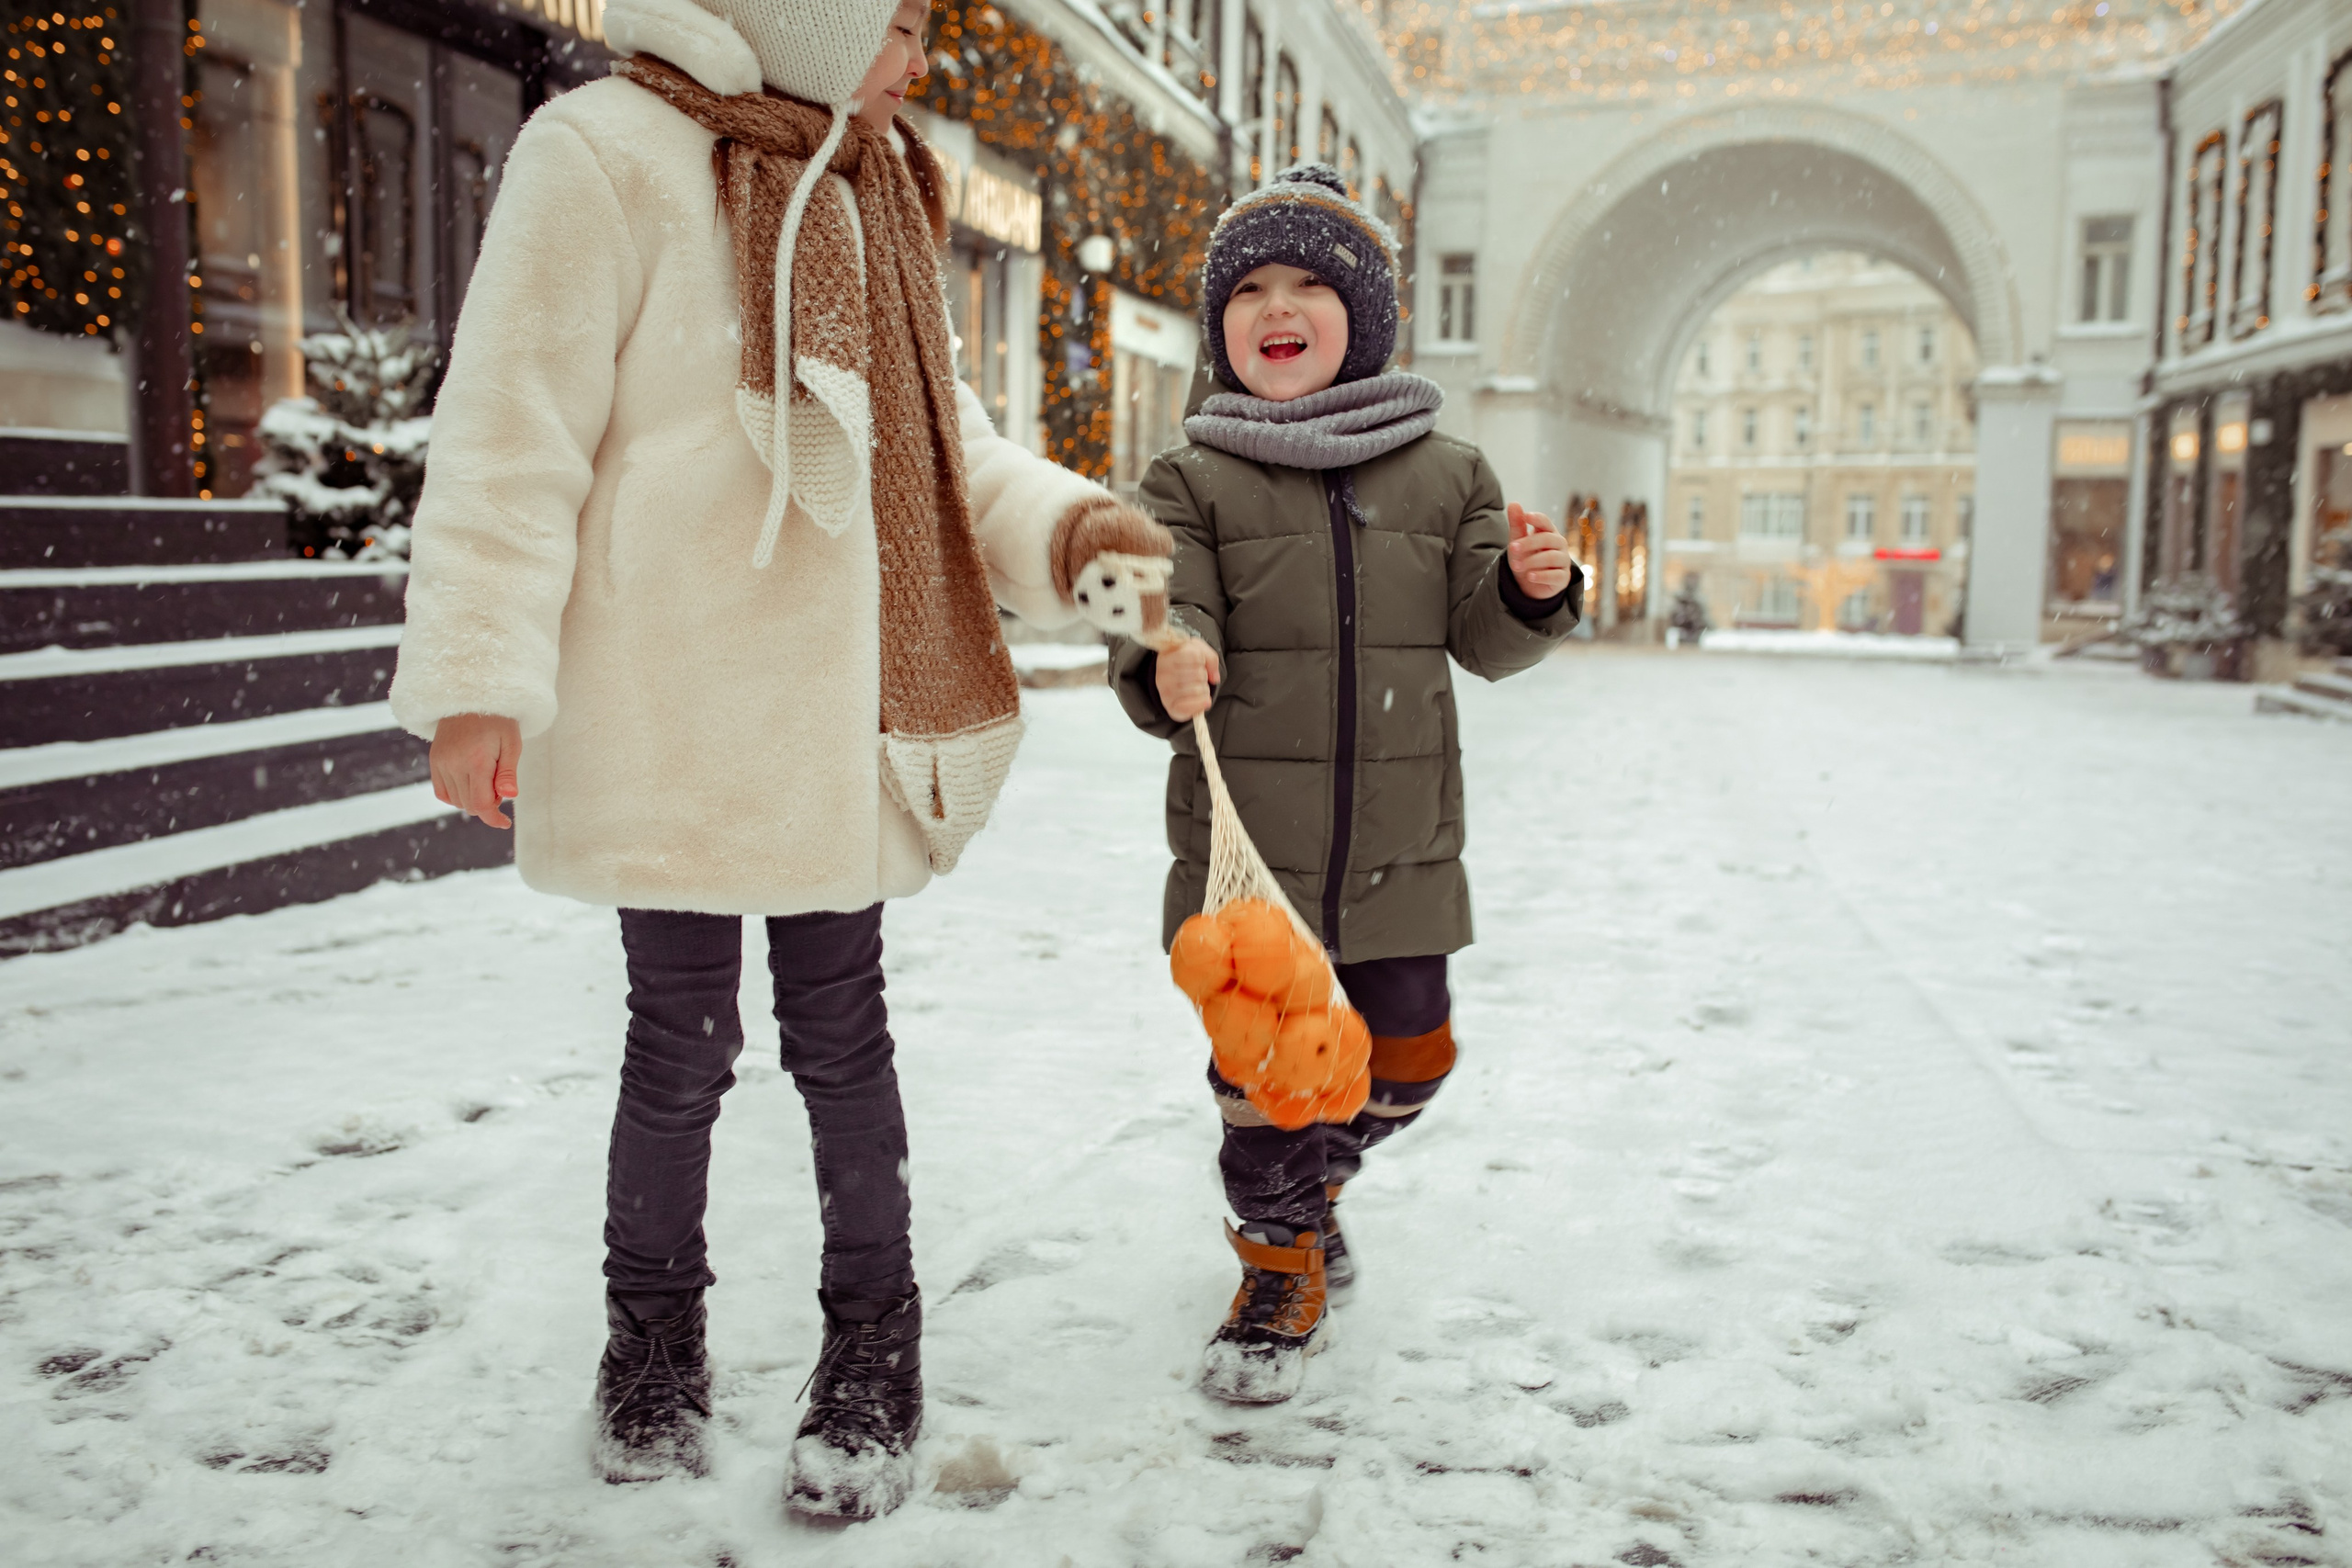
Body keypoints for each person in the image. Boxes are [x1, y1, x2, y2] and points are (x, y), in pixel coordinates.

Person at [388, 0, 1171, 1517]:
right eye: (899, 23)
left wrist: (1086, 546)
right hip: (667, 705)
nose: (921, 61)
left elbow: (951, 448)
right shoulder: (601, 154)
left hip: (830, 722)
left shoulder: (875, 191)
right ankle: (651, 1346)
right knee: (675, 1049)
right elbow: (509, 428)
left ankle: (874, 1349)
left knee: (842, 1042)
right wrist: (480, 676)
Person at [1111, 164, 1584, 1405]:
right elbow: (1166, 601)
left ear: (1363, 320)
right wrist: (1171, 652)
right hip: (1246, 860)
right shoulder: (1191, 478)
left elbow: (1485, 641)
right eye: (1250, 287)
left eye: (1311, 284)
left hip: (1400, 851)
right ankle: (1276, 1277)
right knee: (1262, 1084)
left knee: (1409, 1063)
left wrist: (1532, 592)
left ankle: (1316, 1185)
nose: (1278, 306)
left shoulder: (1448, 474)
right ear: (1220, 325)